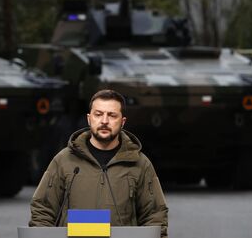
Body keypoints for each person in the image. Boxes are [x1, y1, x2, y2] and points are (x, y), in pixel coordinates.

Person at [30, 89, 168, 237]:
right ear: (89, 119)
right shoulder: (64, 160)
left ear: (122, 122)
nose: (104, 121)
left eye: (112, 115)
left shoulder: (140, 163)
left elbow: (155, 216)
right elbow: (42, 210)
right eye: (98, 114)